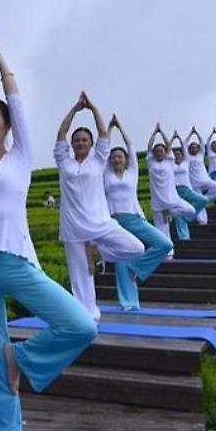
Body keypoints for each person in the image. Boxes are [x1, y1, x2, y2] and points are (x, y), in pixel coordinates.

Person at [0, 34, 97, 431]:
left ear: (7, 126)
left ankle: (22, 358)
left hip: (14, 259)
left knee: (79, 325)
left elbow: (16, 102)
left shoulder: (20, 158)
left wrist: (1, 63)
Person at [55, 92, 145, 320]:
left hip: (100, 223)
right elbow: (61, 134)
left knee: (136, 248)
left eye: (85, 140)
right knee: (80, 278)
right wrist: (74, 110)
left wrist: (93, 108)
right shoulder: (64, 161)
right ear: (72, 144)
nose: (80, 142)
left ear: (91, 144)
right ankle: (87, 316)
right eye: (77, 140)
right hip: (73, 227)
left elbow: (104, 134)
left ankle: (98, 252)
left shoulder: (98, 160)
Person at [103, 115, 174, 311]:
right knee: (121, 262)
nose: (116, 159)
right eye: (113, 157)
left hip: (134, 218)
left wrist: (120, 127)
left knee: (165, 244)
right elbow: (103, 148)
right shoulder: (106, 173)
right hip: (114, 222)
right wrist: (109, 129)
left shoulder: (132, 172)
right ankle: (129, 303)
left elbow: (131, 147)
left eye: (120, 156)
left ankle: (137, 268)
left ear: (126, 159)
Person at [146, 123, 198, 241]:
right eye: (157, 151)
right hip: (157, 203)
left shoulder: (169, 161)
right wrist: (154, 133)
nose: (159, 153)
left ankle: (170, 212)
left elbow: (168, 145)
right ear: (154, 153)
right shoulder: (151, 162)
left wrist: (161, 132)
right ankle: (169, 252)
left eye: (161, 151)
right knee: (162, 232)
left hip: (172, 199)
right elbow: (149, 147)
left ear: (166, 153)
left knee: (191, 210)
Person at [170, 132, 210, 225]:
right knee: (179, 213)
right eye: (175, 155)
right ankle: (183, 233)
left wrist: (180, 137)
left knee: (203, 200)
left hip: (187, 189)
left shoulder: (186, 162)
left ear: (182, 156)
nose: (177, 156)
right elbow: (168, 151)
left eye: (179, 154)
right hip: (176, 190)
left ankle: (190, 217)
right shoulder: (170, 165)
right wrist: (172, 139)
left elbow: (184, 146)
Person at [186, 127, 216, 208]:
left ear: (198, 149)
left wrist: (196, 133)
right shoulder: (187, 157)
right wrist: (191, 133)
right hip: (194, 183)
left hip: (205, 180)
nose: (194, 149)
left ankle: (205, 198)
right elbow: (184, 144)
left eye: (195, 147)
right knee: (201, 207)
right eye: (192, 148)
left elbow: (202, 142)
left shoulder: (201, 155)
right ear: (189, 149)